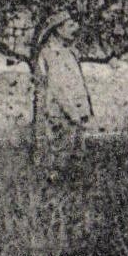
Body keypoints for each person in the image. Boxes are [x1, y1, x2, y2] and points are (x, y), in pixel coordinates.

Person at [34, 10, 94, 153]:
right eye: (70, 25)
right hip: (63, 115)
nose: (76, 28)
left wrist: (83, 112)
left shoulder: (68, 52)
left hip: (76, 115)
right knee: (61, 160)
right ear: (59, 29)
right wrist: (73, 114)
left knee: (77, 162)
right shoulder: (51, 52)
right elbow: (57, 86)